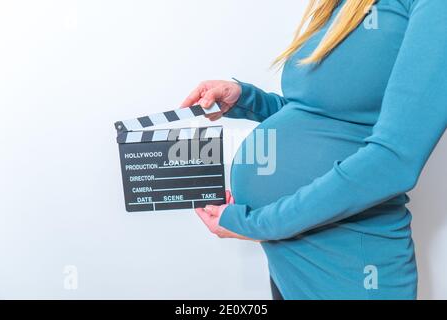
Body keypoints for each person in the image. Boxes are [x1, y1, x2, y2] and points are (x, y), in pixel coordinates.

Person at [181, 0, 447, 300]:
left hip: (347, 267)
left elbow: (394, 160)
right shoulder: (344, 4)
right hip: (287, 256)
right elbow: (322, 113)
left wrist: (260, 224)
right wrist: (246, 99)